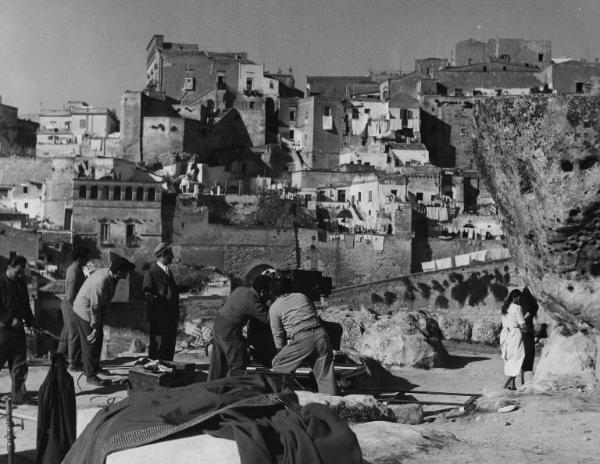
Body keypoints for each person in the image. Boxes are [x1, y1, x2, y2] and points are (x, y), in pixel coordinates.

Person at [269, 274, 336, 395]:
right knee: (325, 375)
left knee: (278, 363)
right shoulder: (302, 296)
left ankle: (289, 394)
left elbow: (277, 334)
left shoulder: (274, 307)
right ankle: (332, 404)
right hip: (321, 334)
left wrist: (282, 352)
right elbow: (314, 314)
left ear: (272, 291)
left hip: (303, 338)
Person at [73, 256, 135, 386]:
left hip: (95, 308)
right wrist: (95, 326)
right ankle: (90, 375)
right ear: (118, 271)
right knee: (91, 341)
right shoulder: (101, 281)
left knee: (99, 338)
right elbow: (94, 306)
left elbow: (103, 301)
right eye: (126, 272)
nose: (127, 274)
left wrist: (101, 321)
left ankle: (95, 367)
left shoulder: (114, 277)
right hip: (85, 309)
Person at [207, 275, 271, 380]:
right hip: (229, 330)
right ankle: (234, 390)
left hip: (218, 324)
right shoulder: (253, 301)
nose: (270, 294)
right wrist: (272, 303)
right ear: (263, 291)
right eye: (269, 291)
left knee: (217, 363)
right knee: (237, 364)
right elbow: (268, 319)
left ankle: (211, 388)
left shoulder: (241, 289)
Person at [143, 243, 188, 361]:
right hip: (159, 318)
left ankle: (168, 370)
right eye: (171, 254)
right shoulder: (151, 272)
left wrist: (187, 288)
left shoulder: (168, 271)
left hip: (171, 316)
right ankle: (154, 372)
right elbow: (147, 293)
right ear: (163, 254)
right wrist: (158, 302)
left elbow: (172, 289)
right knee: (158, 347)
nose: (173, 257)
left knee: (169, 346)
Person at [0, 255, 35, 403]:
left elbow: (26, 305)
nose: (20, 275)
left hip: (18, 332)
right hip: (2, 331)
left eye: (22, 273)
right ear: (9, 268)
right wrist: (10, 320)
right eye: (17, 272)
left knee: (19, 365)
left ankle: (18, 396)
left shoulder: (21, 283)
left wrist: (31, 321)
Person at [57, 247, 89, 371]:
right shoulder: (74, 271)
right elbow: (70, 296)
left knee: (66, 333)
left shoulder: (78, 269)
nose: (88, 259)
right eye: (86, 257)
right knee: (75, 333)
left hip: (71, 304)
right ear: (80, 258)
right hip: (71, 305)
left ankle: (59, 360)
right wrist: (79, 306)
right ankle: (74, 364)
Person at [500, 289, 526, 390]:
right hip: (515, 335)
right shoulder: (517, 308)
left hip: (505, 335)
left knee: (510, 359)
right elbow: (522, 324)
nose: (520, 299)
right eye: (519, 297)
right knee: (518, 360)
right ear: (514, 297)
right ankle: (503, 386)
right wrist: (531, 331)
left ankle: (513, 385)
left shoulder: (504, 308)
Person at [520, 287, 539, 385]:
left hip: (520, 329)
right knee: (528, 353)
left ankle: (521, 380)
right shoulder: (530, 303)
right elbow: (530, 312)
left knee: (522, 354)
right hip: (527, 329)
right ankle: (525, 380)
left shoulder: (521, 300)